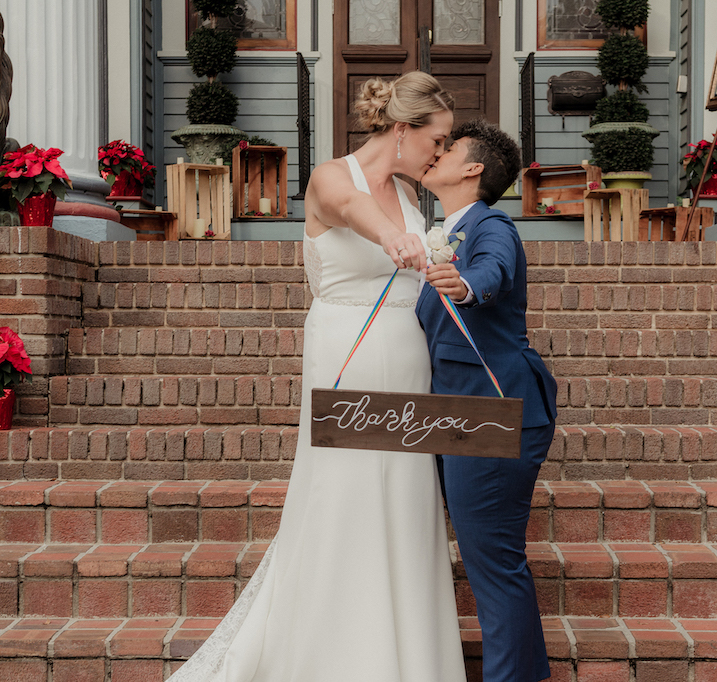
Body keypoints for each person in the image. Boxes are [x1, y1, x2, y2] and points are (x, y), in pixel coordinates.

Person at [168, 72, 465, 681]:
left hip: (408, 361)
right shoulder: (335, 176)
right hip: (345, 352)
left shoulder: (415, 200)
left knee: (406, 505)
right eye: (437, 140)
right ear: (403, 131)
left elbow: (412, 264)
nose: (441, 153)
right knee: (345, 498)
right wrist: (394, 239)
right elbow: (357, 213)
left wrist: (443, 270)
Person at [417, 119, 558, 682]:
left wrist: (468, 285)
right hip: (454, 414)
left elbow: (493, 268)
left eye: (447, 149)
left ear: (473, 169)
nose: (437, 154)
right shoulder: (445, 229)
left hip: (494, 412)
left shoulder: (490, 223)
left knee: (493, 565)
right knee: (487, 561)